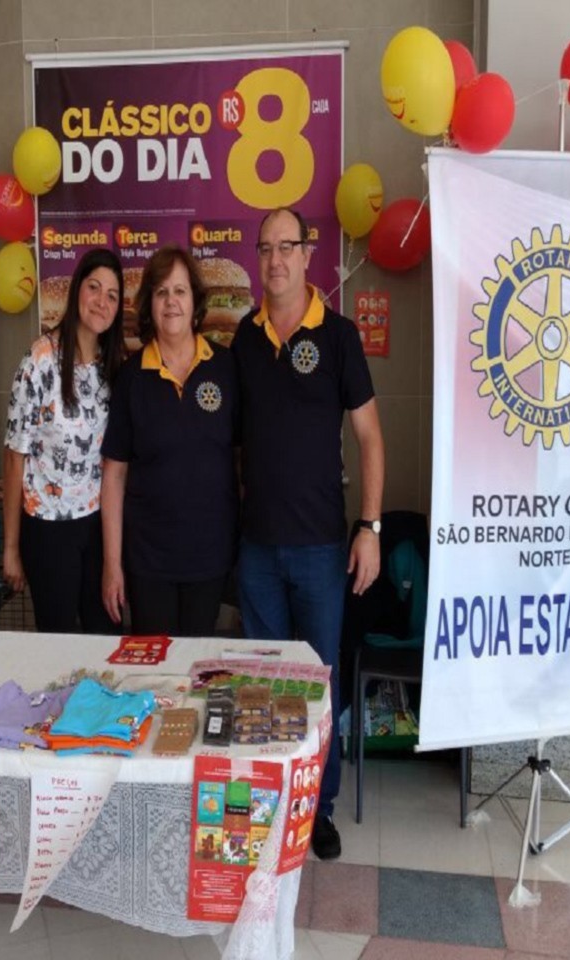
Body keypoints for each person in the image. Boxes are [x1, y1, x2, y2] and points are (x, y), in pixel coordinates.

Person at [231, 208, 385, 861]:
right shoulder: (244, 338)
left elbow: (370, 438)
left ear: (306, 254)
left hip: (322, 547)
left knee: (318, 685)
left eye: (286, 247)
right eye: (265, 248)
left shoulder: (339, 335)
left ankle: (317, 808)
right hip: (257, 550)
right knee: (263, 687)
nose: (275, 260)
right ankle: (273, 804)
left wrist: (369, 528)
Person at [101, 245, 239, 636]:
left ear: (195, 300)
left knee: (199, 664)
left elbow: (242, 459)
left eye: (180, 291)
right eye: (161, 292)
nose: (171, 301)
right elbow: (113, 476)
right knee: (154, 664)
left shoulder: (226, 367)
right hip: (148, 561)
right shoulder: (131, 378)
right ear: (149, 304)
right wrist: (112, 564)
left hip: (210, 557)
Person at [2, 248, 125, 633]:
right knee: (58, 641)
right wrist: (10, 548)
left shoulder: (112, 363)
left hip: (97, 524)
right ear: (77, 291)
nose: (101, 301)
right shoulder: (40, 360)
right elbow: (14, 456)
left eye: (112, 295)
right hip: (48, 527)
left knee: (105, 637)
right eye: (94, 288)